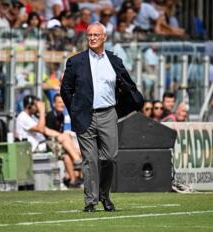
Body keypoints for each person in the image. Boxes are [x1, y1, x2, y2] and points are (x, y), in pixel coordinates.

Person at [61, 22, 143, 212]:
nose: (92, 38)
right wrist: (75, 109)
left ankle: (104, 195)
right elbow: (65, 89)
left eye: (96, 35)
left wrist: (129, 105)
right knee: (89, 160)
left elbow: (127, 86)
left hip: (108, 113)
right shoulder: (75, 61)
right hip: (85, 115)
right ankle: (91, 201)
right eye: (89, 35)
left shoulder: (114, 60)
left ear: (104, 37)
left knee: (110, 157)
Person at [15, 95, 83, 171]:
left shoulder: (31, 117)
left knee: (67, 151)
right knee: (69, 147)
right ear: (29, 106)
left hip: (42, 144)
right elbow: (41, 129)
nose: (37, 107)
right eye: (36, 105)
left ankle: (72, 179)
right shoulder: (23, 117)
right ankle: (77, 159)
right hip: (35, 147)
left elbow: (46, 130)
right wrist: (42, 111)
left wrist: (63, 136)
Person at [45, 94, 82, 188]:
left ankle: (73, 180)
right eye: (59, 102)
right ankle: (77, 159)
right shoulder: (50, 115)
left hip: (58, 144)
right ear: (54, 104)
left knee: (67, 157)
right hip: (49, 144)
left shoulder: (61, 116)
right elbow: (46, 132)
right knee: (65, 137)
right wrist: (61, 135)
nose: (62, 105)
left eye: (63, 102)